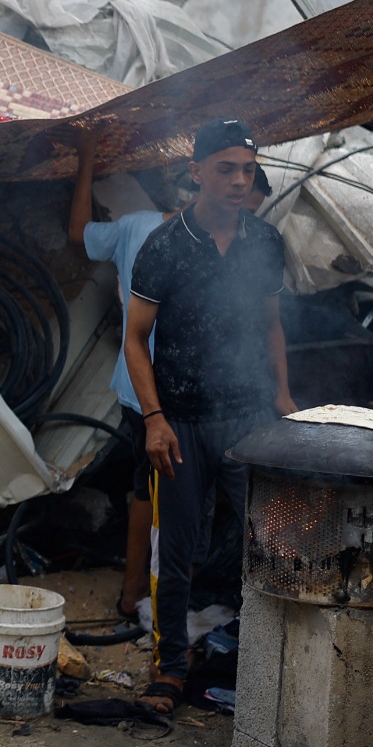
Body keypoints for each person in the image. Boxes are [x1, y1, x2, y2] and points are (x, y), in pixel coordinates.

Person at [123, 116, 297, 716]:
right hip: (182, 421)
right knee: (176, 549)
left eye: (248, 171)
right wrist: (153, 417)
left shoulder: (265, 243)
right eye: (225, 169)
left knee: (266, 542)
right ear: (195, 172)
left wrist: (283, 398)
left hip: (248, 416)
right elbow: (135, 339)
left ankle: (259, 662)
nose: (239, 181)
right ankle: (170, 668)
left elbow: (272, 327)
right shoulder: (166, 245)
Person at [67, 127, 169, 621]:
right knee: (157, 493)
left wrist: (86, 159)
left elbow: (79, 234)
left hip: (134, 388)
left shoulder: (136, 224)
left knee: (144, 490)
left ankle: (134, 595)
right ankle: (139, 597)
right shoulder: (178, 236)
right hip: (159, 391)